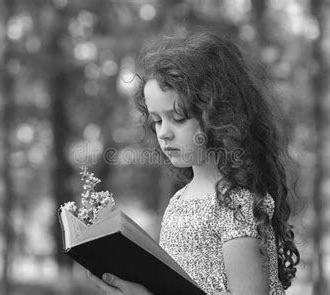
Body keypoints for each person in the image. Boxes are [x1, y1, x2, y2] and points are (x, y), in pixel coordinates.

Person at [86, 30, 300, 295]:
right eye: (157, 120)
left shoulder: (237, 206)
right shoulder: (179, 202)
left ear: (218, 115)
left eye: (178, 118)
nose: (164, 132)